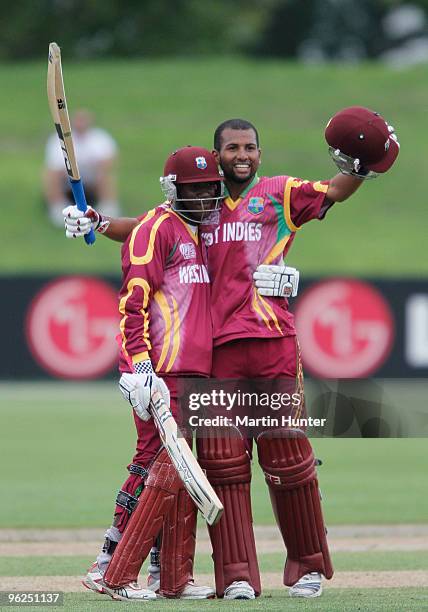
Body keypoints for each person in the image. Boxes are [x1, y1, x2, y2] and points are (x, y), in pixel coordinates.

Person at [64, 106, 399, 600]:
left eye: (249, 148)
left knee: (288, 457)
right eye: (232, 148)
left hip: (273, 341)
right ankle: (237, 574)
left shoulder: (280, 192)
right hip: (216, 351)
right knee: (222, 463)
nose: (241, 156)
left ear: (259, 152)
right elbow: (147, 227)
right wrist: (98, 220)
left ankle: (307, 566)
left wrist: (361, 166)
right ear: (217, 154)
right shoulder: (203, 203)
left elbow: (335, 192)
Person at [82, 145, 224, 601]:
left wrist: (101, 222)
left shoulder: (199, 232)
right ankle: (108, 564)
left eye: (210, 190)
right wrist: (138, 366)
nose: (204, 198)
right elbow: (132, 302)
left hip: (194, 372)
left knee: (178, 474)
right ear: (173, 190)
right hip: (160, 370)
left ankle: (169, 576)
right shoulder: (158, 228)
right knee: (151, 466)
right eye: (194, 190)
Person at [43, 108, 121, 227]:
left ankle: (107, 208)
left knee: (105, 174)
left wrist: (96, 168)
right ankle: (58, 209)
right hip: (68, 181)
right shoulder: (59, 139)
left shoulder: (100, 138)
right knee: (50, 176)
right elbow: (54, 166)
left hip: (92, 179)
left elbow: (110, 161)